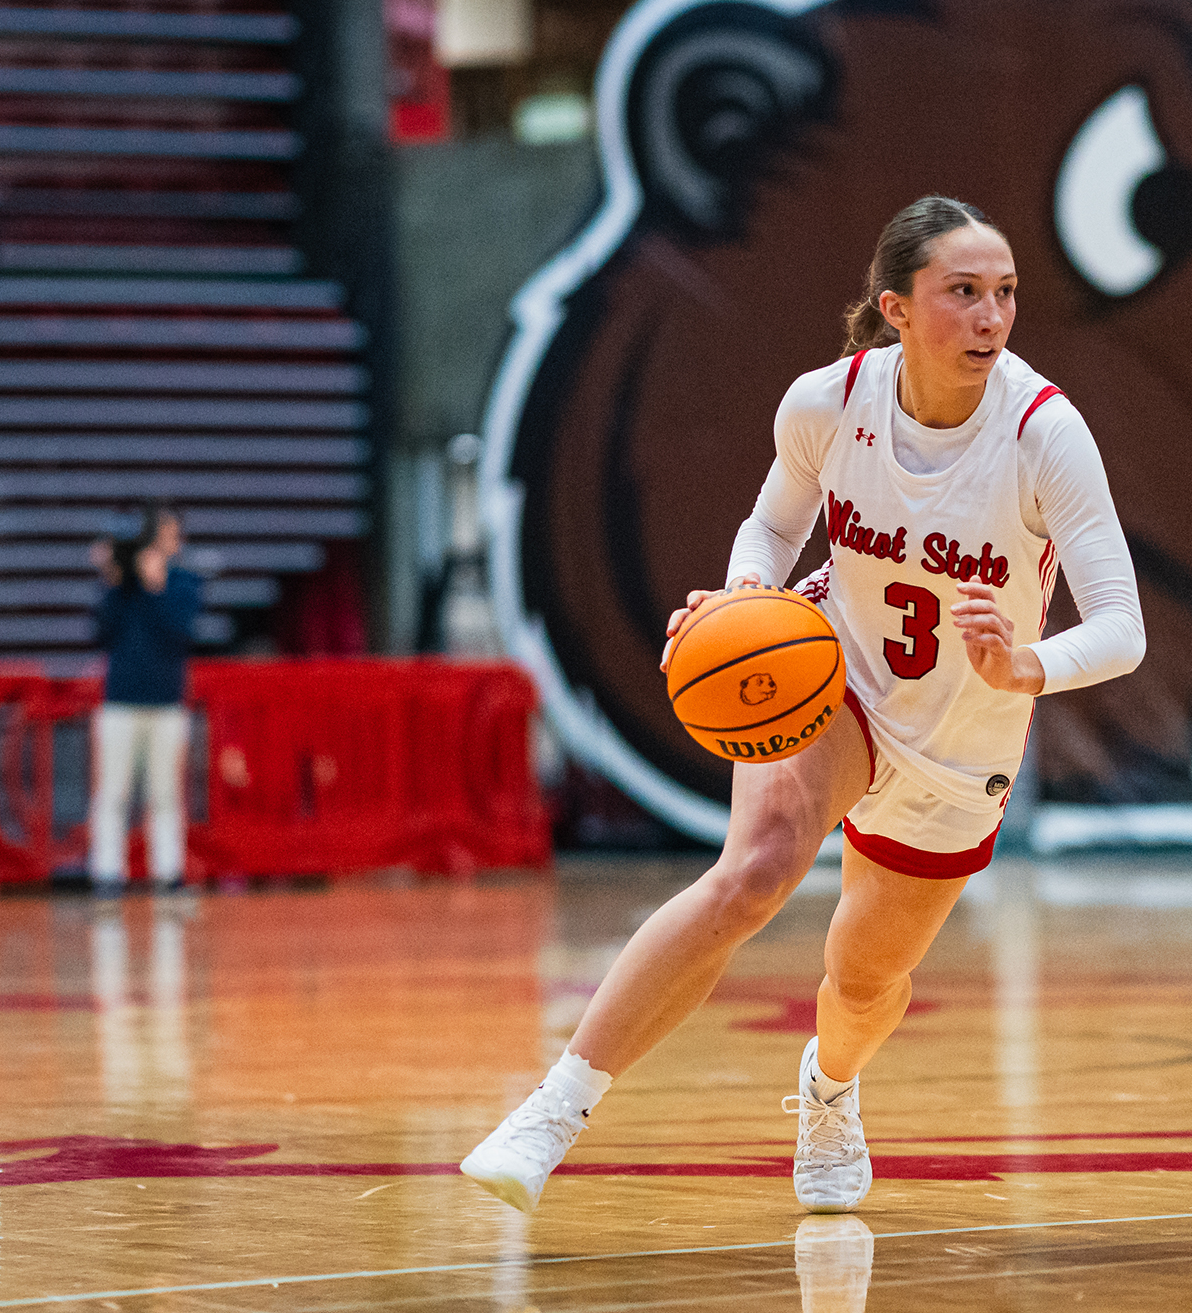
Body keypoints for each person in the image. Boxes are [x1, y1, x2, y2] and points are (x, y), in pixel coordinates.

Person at [460, 195, 1145, 1214]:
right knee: (755, 871)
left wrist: (1026, 668)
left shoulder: (1044, 435)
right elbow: (771, 526)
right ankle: (552, 1111)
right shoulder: (826, 403)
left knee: (862, 983)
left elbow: (1122, 629)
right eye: (962, 292)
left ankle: (829, 1088)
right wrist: (744, 597)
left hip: (963, 737)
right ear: (896, 308)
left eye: (1004, 293)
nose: (991, 316)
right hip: (837, 672)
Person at [89, 503, 204, 894]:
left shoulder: (185, 583)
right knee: (112, 792)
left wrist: (156, 589)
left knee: (166, 794)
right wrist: (113, 580)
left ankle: (168, 874)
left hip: (167, 704)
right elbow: (101, 632)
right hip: (120, 701)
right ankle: (107, 875)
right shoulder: (122, 587)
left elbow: (181, 633)